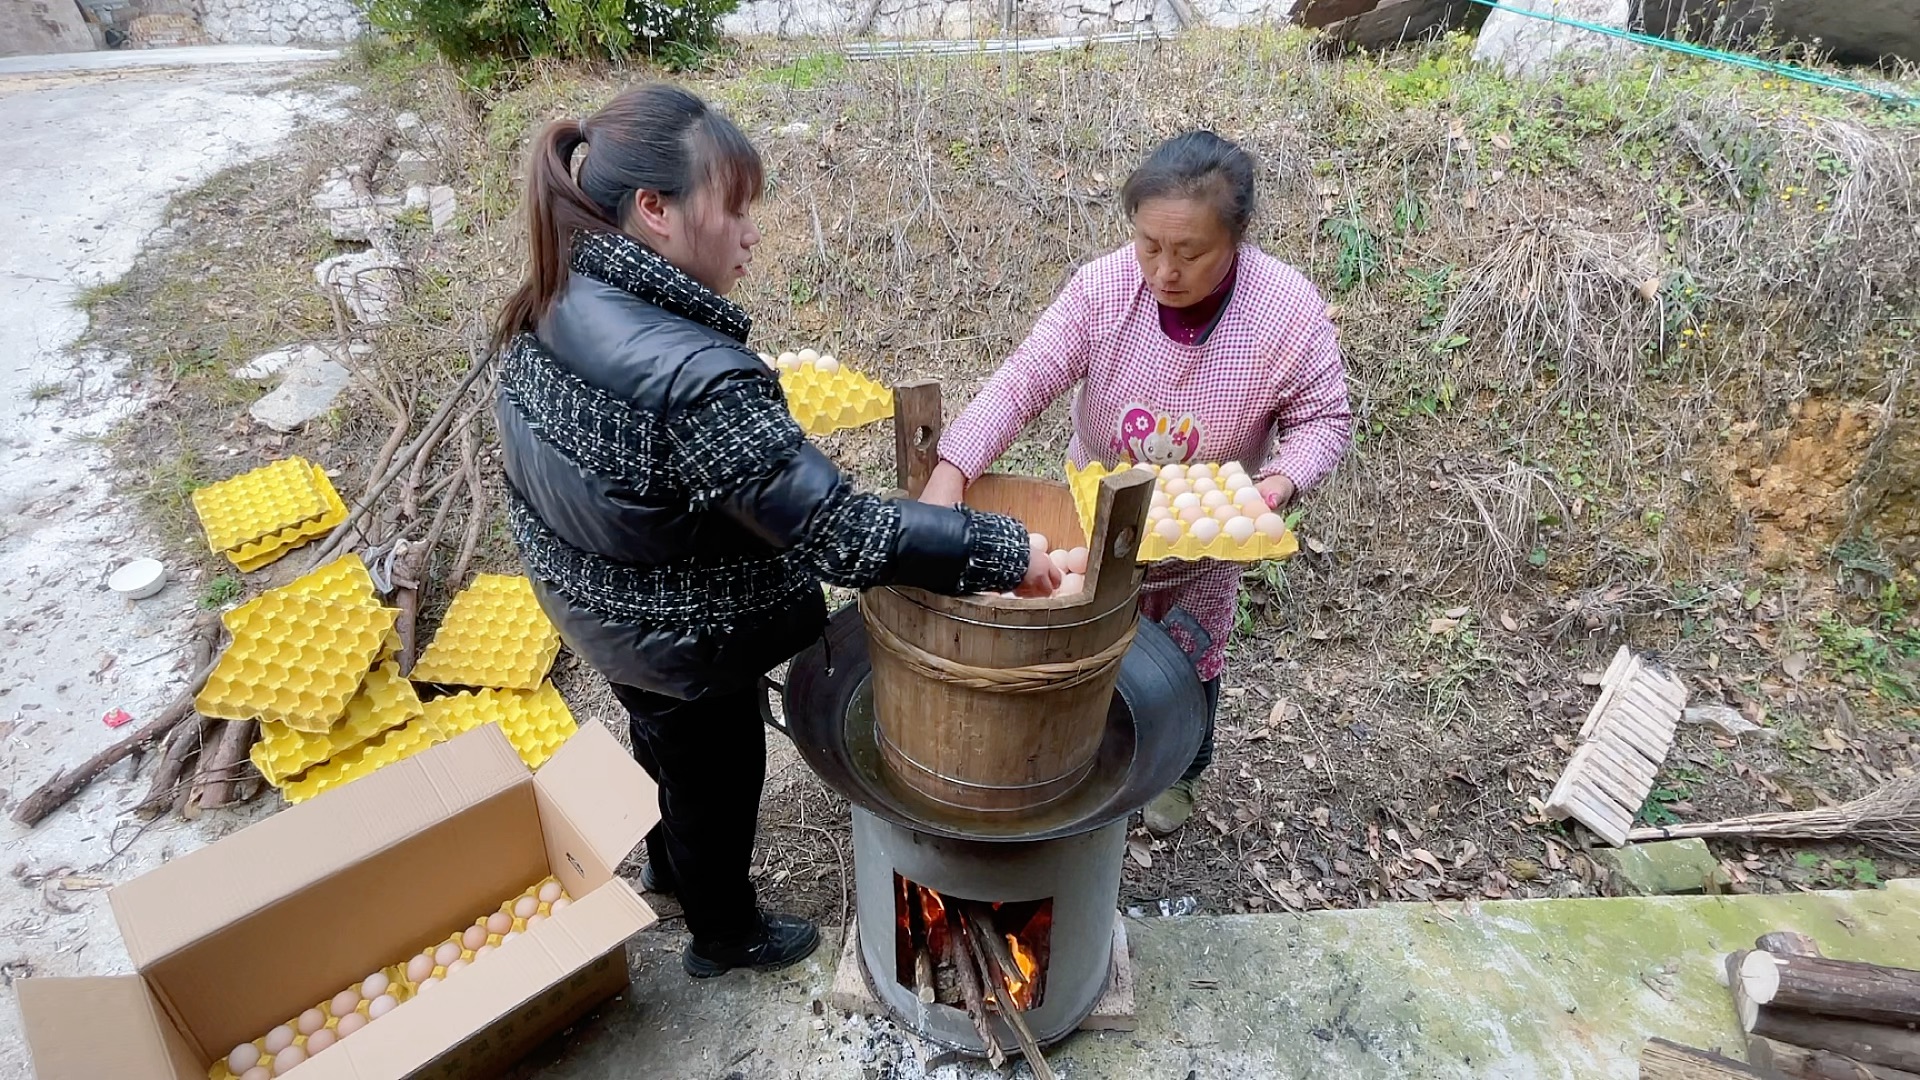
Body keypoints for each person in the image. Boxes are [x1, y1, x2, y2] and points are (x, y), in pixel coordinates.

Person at [492, 84, 1060, 979]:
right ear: (656, 211)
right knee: (718, 780)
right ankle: (723, 934)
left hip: (596, 603)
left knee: (661, 744)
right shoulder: (692, 376)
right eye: (734, 208)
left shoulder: (555, 292)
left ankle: (671, 868)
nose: (752, 233)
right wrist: (1001, 551)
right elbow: (839, 535)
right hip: (679, 638)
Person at [917, 130, 1353, 836]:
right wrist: (952, 469)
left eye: (1190, 252)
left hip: (1202, 540)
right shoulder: (1104, 290)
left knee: (1190, 658)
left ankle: (1183, 770)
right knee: (1090, 643)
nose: (1164, 270)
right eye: (1149, 244)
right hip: (1094, 522)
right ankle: (1091, 749)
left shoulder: (1286, 314)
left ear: (1236, 237)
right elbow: (1024, 380)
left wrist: (1275, 486)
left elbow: (1324, 420)